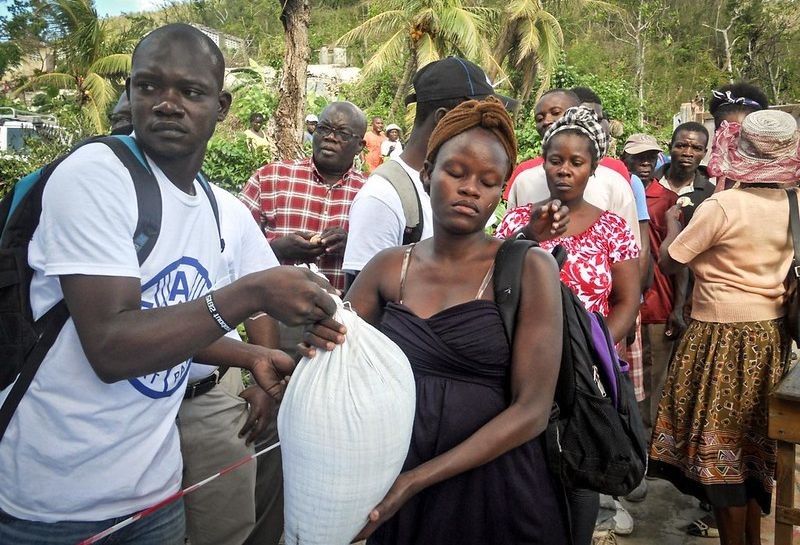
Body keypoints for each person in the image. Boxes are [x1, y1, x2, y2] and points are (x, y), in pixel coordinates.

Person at [0, 24, 336, 545]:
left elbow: (163, 321)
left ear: (220, 107)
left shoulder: (207, 205)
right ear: (130, 93)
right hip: (54, 505)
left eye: (190, 91)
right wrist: (253, 292)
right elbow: (111, 347)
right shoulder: (96, 175)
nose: (167, 104)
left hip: (152, 496)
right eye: (149, 86)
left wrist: (250, 356)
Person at [305, 96, 569, 545]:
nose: (470, 189)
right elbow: (336, 360)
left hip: (493, 488)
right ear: (428, 174)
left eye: (488, 182)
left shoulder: (529, 268)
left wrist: (417, 480)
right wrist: (316, 342)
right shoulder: (389, 268)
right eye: (456, 173)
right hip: (394, 479)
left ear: (501, 192)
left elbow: (532, 411)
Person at [649, 109, 799, 545]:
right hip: (770, 336)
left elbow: (669, 260)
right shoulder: (794, 203)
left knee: (723, 454)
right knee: (753, 450)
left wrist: (674, 223)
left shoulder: (723, 206)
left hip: (720, 335)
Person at [496, 106, 641, 545]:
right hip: (521, 362)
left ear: (593, 168)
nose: (564, 170)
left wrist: (591, 349)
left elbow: (626, 300)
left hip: (585, 372)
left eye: (576, 162)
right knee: (525, 462)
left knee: (579, 468)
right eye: (555, 160)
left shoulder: (613, 227)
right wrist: (531, 236)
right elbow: (497, 284)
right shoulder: (519, 221)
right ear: (543, 164)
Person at [343, 57, 567, 287]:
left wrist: (527, 235)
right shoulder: (383, 197)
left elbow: (473, 266)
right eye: (474, 114)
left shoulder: (471, 186)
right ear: (443, 119)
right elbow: (362, 299)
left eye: (488, 182)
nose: (487, 124)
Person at [239, 101, 367, 293]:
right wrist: (276, 249)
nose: (330, 137)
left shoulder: (370, 192)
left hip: (343, 308)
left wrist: (352, 248)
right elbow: (232, 244)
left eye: (343, 133)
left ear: (360, 146)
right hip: (271, 305)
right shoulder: (270, 177)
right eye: (323, 128)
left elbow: (387, 264)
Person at [708, 83, 770, 193]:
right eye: (728, 133)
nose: (735, 142)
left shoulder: (776, 177)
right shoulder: (712, 177)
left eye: (743, 134)